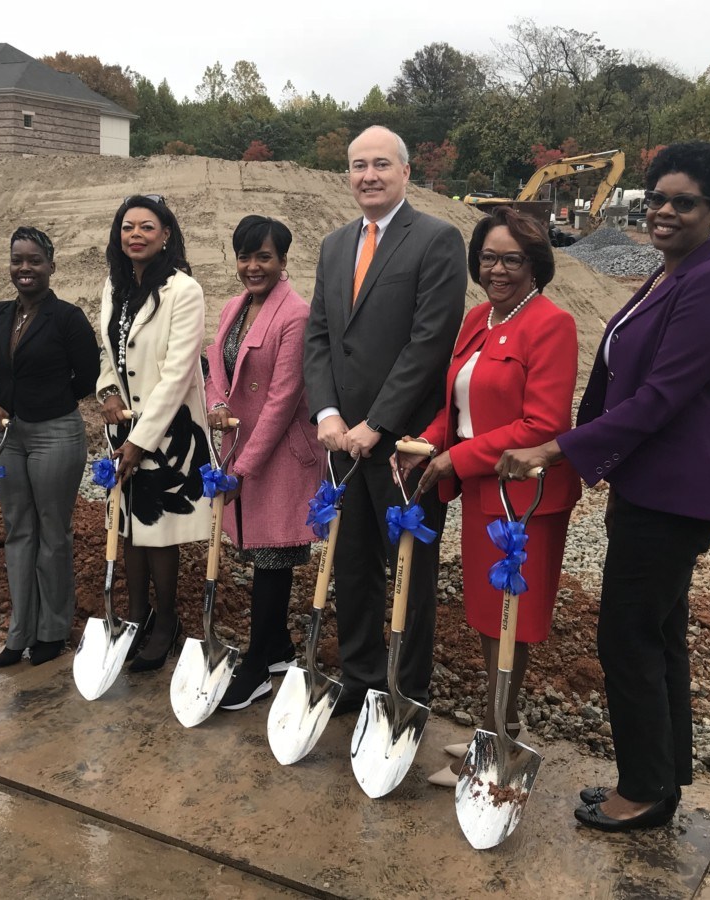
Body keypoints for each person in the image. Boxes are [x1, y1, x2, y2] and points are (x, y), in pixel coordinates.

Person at [497, 141, 710, 831]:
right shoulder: (669, 274)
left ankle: (641, 791)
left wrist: (557, 449)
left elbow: (661, 397)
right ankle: (660, 781)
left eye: (685, 202)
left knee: (628, 637)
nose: (666, 211)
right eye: (659, 198)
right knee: (659, 633)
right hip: (649, 486)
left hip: (675, 492)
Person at [391, 207, 581, 786]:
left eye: (512, 259)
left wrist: (455, 458)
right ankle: (498, 727)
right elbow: (458, 407)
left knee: (511, 619)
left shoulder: (551, 324)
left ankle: (497, 743)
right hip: (479, 491)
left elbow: (541, 424)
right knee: (484, 614)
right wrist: (425, 442)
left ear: (535, 264)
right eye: (490, 258)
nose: (498, 269)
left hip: (523, 500)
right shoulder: (479, 318)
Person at [302, 126, 467, 716]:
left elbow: (429, 342)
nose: (367, 176)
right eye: (356, 166)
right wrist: (326, 411)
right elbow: (319, 334)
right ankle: (361, 673)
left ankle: (409, 687)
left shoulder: (437, 240)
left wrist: (377, 423)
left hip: (404, 445)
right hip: (341, 438)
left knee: (409, 566)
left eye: (379, 165)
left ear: (404, 171)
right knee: (352, 561)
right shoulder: (334, 245)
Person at [0, 227, 100, 667]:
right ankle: (19, 631)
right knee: (17, 529)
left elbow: (86, 376)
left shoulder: (67, 318)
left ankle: (52, 630)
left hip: (54, 434)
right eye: (17, 260)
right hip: (3, 434)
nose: (25, 268)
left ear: (51, 266)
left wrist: (47, 401)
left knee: (53, 531)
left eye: (34, 261)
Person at [205, 216, 321, 710]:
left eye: (264, 257)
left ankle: (256, 668)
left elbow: (281, 399)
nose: (253, 266)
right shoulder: (235, 306)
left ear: (283, 261)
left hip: (279, 455)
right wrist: (215, 405)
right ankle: (278, 650)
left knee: (273, 557)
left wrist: (239, 469)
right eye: (245, 257)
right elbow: (214, 363)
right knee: (257, 555)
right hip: (240, 445)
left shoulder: (295, 314)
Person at [96, 194, 211, 671]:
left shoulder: (185, 291)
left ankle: (167, 622)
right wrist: (107, 393)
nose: (136, 235)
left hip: (169, 433)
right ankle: (136, 616)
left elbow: (179, 372)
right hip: (124, 427)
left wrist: (140, 441)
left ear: (166, 235)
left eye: (147, 227)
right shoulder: (114, 286)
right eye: (128, 227)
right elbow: (108, 351)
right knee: (127, 526)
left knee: (160, 532)